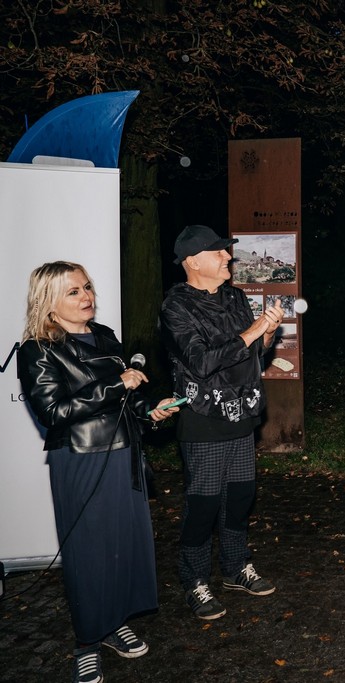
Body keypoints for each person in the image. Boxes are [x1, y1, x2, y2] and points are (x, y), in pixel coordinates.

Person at [18, 261, 180, 683]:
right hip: (81, 459)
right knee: (89, 553)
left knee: (124, 544)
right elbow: (54, 412)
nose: (86, 296)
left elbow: (129, 397)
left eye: (87, 287)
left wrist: (151, 410)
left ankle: (114, 622)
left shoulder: (105, 336)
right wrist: (116, 384)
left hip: (125, 453)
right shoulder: (38, 349)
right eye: (73, 291)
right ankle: (87, 642)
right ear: (48, 302)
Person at [160, 224, 283, 621]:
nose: (228, 256)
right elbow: (201, 363)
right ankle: (194, 579)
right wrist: (254, 330)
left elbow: (252, 355)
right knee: (204, 505)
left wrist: (266, 335)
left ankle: (235, 567)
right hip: (204, 419)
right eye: (218, 252)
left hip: (242, 413)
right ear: (193, 262)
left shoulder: (235, 297)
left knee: (240, 498)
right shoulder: (176, 307)